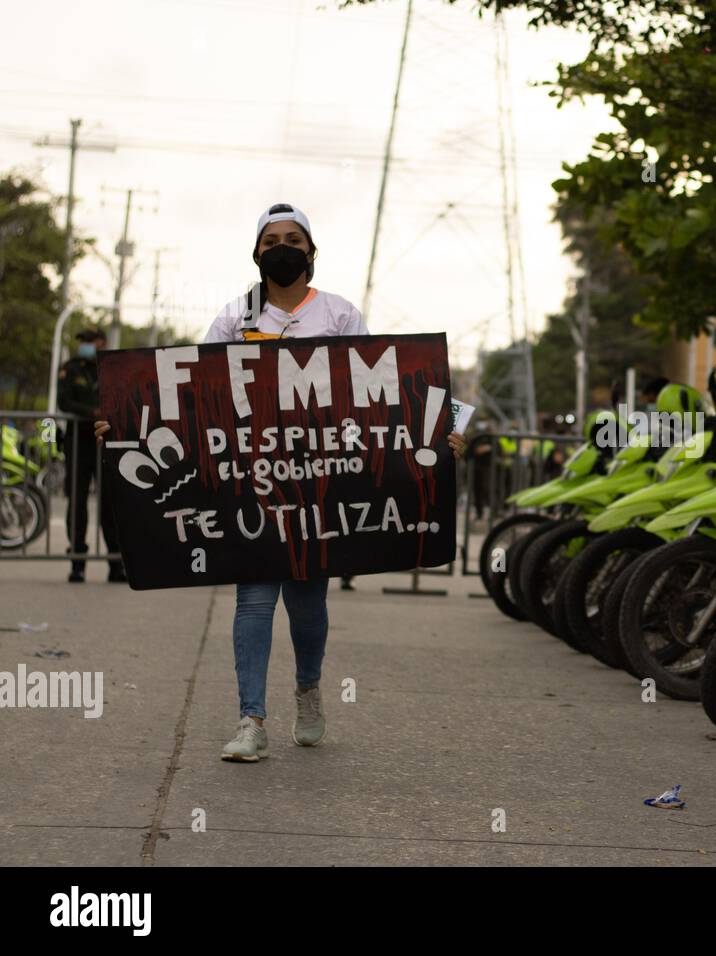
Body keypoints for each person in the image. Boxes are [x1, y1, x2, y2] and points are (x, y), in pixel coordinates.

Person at [95, 202, 465, 762]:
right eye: (271, 240)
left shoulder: (340, 316)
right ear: (257, 253)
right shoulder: (234, 319)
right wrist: (125, 422)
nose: (282, 247)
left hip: (317, 489)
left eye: (293, 238)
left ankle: (309, 689)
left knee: (309, 607)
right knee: (252, 601)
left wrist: (443, 430)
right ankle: (251, 719)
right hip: (251, 486)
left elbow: (379, 395)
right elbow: (189, 393)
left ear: (312, 252)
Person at [57, 327, 125, 583]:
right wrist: (94, 412)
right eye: (82, 340)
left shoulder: (111, 368)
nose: (85, 345)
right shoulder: (70, 368)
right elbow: (65, 402)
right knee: (77, 503)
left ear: (102, 343)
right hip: (78, 442)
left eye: (89, 341)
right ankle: (77, 562)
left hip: (105, 442)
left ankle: (116, 563)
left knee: (110, 504)